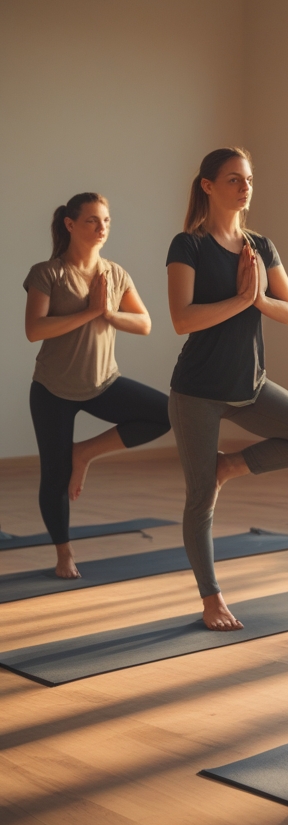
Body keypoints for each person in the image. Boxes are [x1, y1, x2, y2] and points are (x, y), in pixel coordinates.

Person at [166, 148, 288, 631]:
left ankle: (228, 466)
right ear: (208, 186)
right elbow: (182, 319)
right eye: (234, 179)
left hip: (250, 384)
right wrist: (242, 300)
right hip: (196, 390)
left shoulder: (260, 246)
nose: (245, 187)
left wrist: (256, 297)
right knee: (200, 499)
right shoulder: (188, 245)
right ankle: (211, 597)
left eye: (249, 179)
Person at [24, 192, 171, 579]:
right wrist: (90, 312)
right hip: (52, 389)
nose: (101, 227)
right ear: (70, 225)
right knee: (53, 476)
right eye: (91, 220)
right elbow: (34, 330)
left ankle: (84, 453)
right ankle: (63, 553)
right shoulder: (47, 273)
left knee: (165, 413)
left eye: (105, 220)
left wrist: (107, 312)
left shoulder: (116, 273)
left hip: (104, 382)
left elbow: (144, 323)